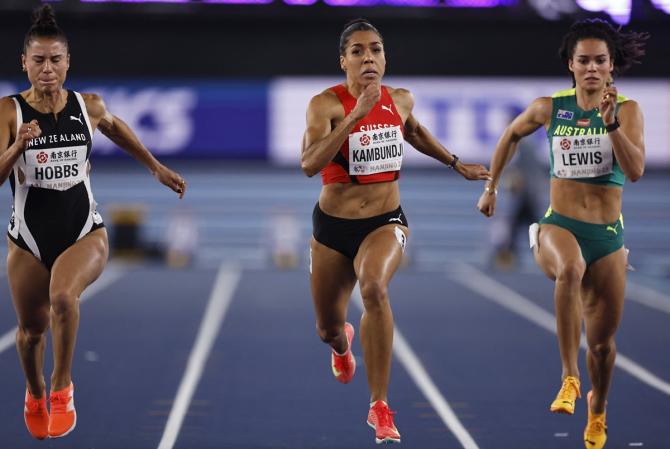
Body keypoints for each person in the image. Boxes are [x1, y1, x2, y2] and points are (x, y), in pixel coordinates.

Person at [0, 5, 186, 440]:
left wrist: (155, 167)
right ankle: (35, 389)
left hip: (84, 230)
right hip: (28, 238)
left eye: (56, 60)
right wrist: (16, 146)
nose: (47, 69)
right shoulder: (9, 112)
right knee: (30, 334)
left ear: (68, 62)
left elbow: (116, 128)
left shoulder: (88, 105)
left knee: (64, 297)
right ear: (23, 63)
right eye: (39, 60)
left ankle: (63, 387)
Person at [301, 19, 490, 445]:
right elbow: (310, 164)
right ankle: (342, 346)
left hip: (385, 221)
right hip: (332, 229)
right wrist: (355, 116)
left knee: (373, 289)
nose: (369, 57)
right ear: (343, 61)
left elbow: (415, 132)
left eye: (376, 49)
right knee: (327, 328)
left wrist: (455, 162)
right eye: (358, 51)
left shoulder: (400, 99)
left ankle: (380, 405)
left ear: (385, 58)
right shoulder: (325, 106)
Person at [477, 18, 648, 449]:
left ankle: (598, 408)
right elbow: (510, 135)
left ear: (612, 67)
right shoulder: (549, 108)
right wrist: (491, 187)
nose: (592, 68)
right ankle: (569, 378)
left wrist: (610, 125)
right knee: (569, 269)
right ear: (570, 65)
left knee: (605, 346)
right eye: (584, 60)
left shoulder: (627, 110)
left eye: (600, 61)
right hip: (560, 226)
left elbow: (636, 171)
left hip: (607, 236)